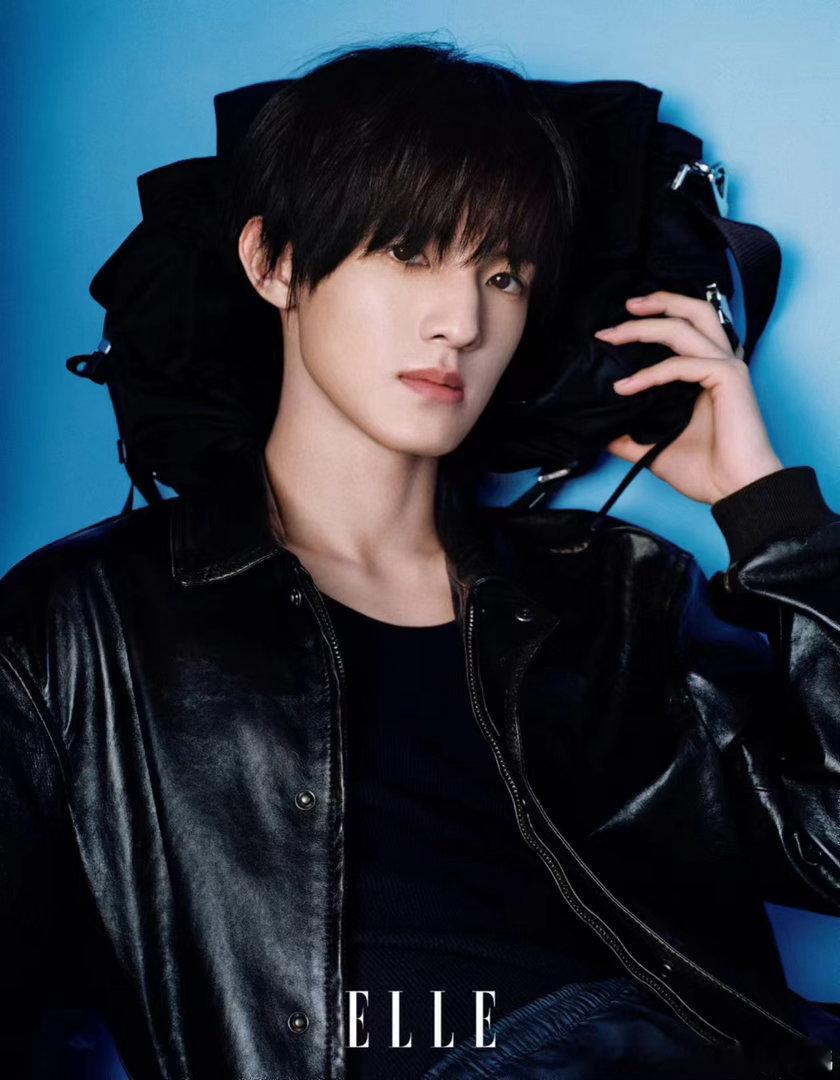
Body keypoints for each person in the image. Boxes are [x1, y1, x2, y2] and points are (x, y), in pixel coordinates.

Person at [1, 36, 839, 1080]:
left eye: (504, 273)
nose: (462, 322)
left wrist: (767, 509)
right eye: (408, 252)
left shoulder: (613, 593)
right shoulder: (86, 621)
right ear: (274, 263)